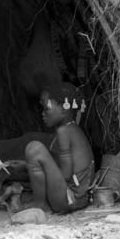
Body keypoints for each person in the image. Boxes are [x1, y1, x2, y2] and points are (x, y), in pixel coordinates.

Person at [25, 82, 94, 213]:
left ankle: (39, 207)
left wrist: (44, 169)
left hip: (69, 199)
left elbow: (66, 175)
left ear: (64, 108)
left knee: (34, 149)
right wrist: (26, 166)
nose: (43, 114)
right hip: (80, 199)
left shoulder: (64, 132)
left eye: (47, 109)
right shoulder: (72, 129)